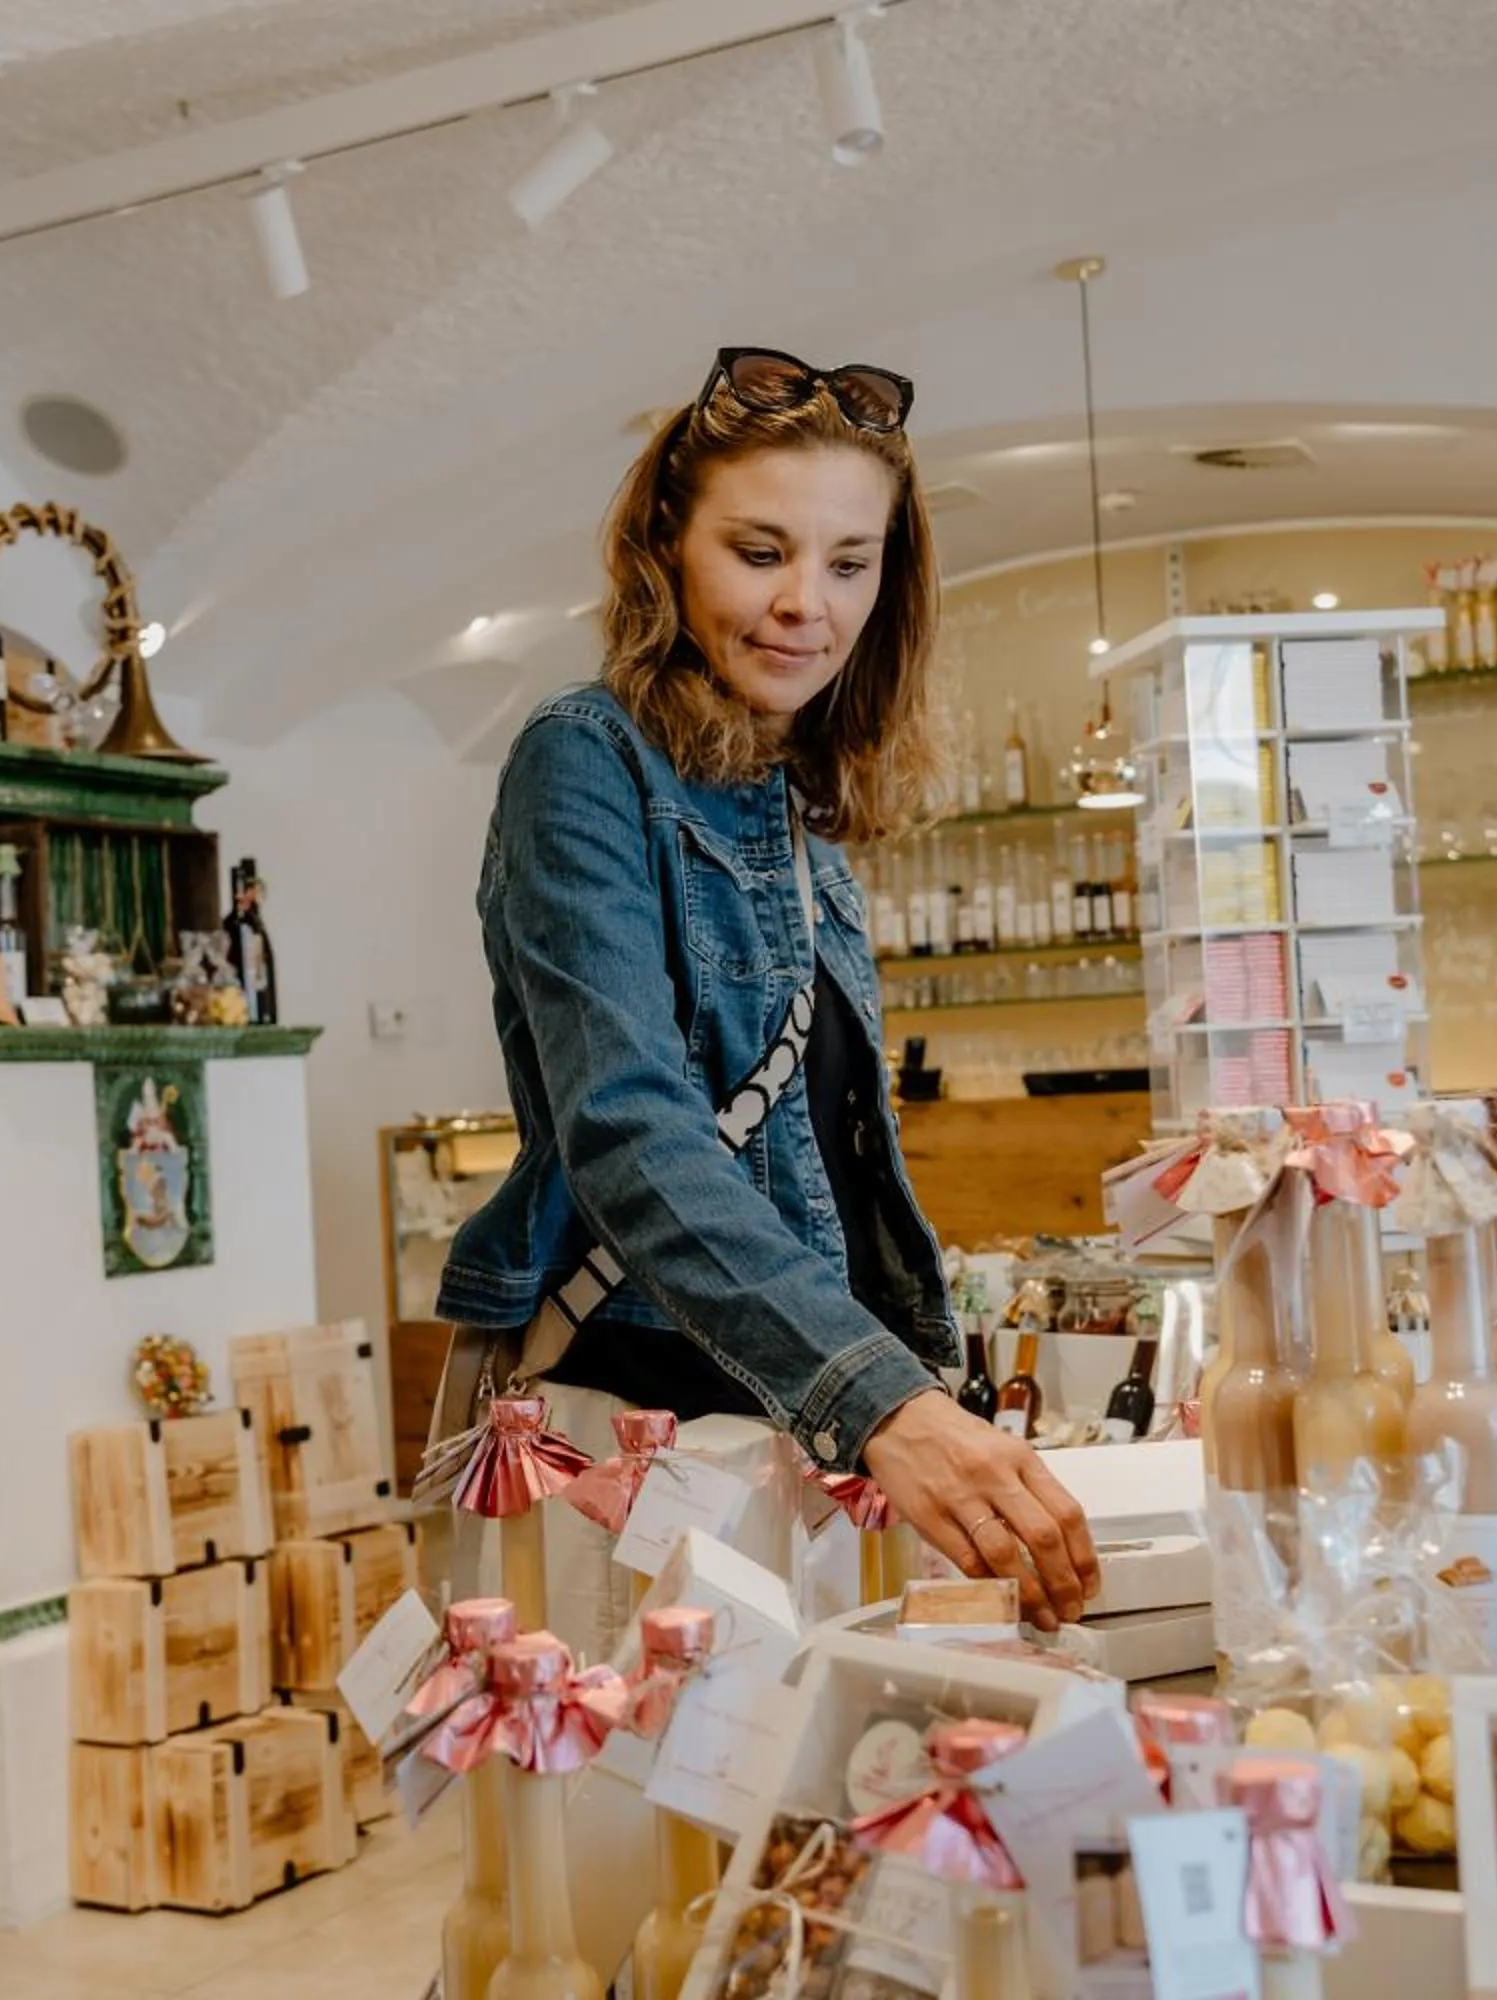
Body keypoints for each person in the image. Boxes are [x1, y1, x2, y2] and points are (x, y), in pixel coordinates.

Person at [435, 347, 1098, 1639]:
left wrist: (904, 1388)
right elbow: (633, 1131)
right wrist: (885, 1402)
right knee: (641, 1830)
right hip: (643, 1430)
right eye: (760, 551)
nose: (809, 603)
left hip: (801, 1424)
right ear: (664, 549)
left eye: (851, 564)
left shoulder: (802, 801)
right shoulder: (586, 760)